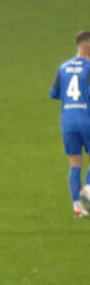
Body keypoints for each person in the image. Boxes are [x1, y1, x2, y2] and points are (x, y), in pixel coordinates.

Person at [49, 30, 90, 217]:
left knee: (75, 163)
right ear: (86, 45)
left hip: (67, 122)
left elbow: (53, 93)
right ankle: (88, 188)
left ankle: (77, 208)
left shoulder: (63, 67)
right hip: (87, 119)